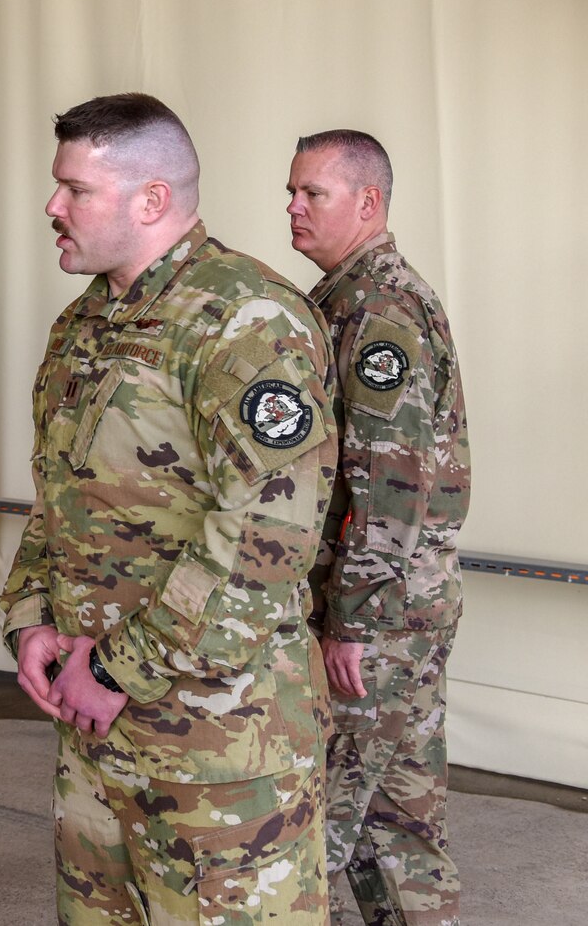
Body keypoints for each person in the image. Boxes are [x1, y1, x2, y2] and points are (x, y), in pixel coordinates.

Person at [0, 94, 338, 923]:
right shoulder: (81, 327)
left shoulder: (246, 319)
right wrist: (31, 616)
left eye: (74, 189)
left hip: (222, 756)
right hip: (97, 746)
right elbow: (59, 499)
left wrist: (117, 669)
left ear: (151, 199)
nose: (52, 207)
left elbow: (265, 538)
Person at [286, 130, 467, 926]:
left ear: (368, 202)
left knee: (307, 832)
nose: (292, 207)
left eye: (310, 193)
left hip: (378, 618)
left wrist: (352, 620)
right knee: (398, 828)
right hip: (406, 608)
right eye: (290, 192)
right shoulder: (350, 296)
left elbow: (389, 479)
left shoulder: (378, 307)